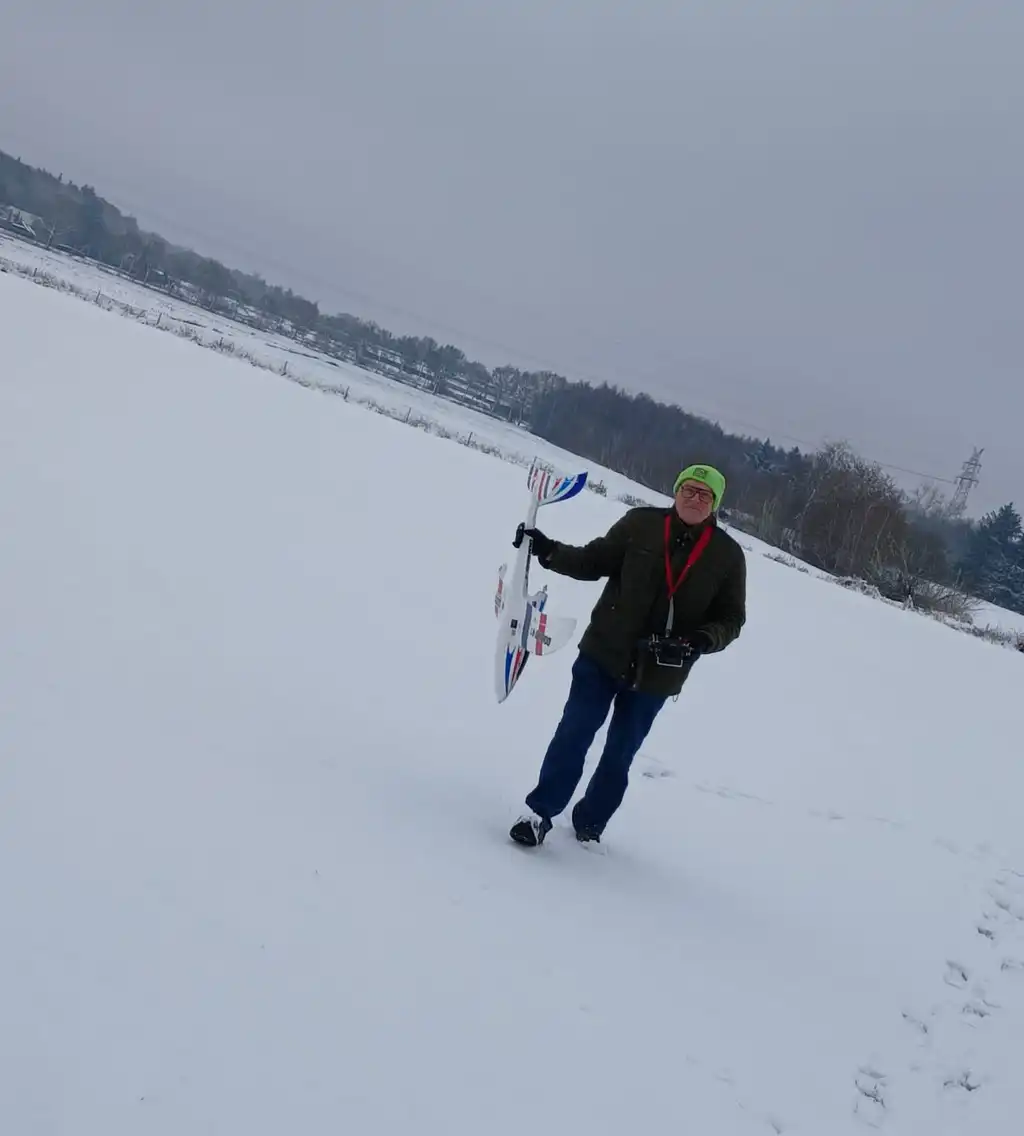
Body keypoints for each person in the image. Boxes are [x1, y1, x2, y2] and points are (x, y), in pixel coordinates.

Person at [509, 464, 746, 847]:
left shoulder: (727, 555)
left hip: (659, 675)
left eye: (705, 494)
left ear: (715, 504)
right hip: (604, 653)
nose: (694, 498)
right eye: (689, 488)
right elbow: (593, 561)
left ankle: (590, 823)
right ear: (676, 490)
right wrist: (549, 550)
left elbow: (732, 617)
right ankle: (539, 813)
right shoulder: (641, 523)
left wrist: (702, 640)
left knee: (620, 753)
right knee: (574, 733)